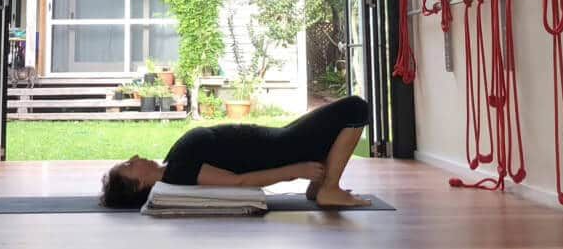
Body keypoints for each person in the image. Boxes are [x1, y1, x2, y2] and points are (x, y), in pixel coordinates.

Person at [100, 95, 371, 209]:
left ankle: (319, 186)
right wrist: (293, 172)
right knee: (355, 108)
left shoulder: (172, 164)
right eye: (128, 164)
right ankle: (329, 188)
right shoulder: (180, 172)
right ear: (139, 185)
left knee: (331, 121)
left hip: (277, 138)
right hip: (280, 149)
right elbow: (238, 182)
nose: (134, 158)